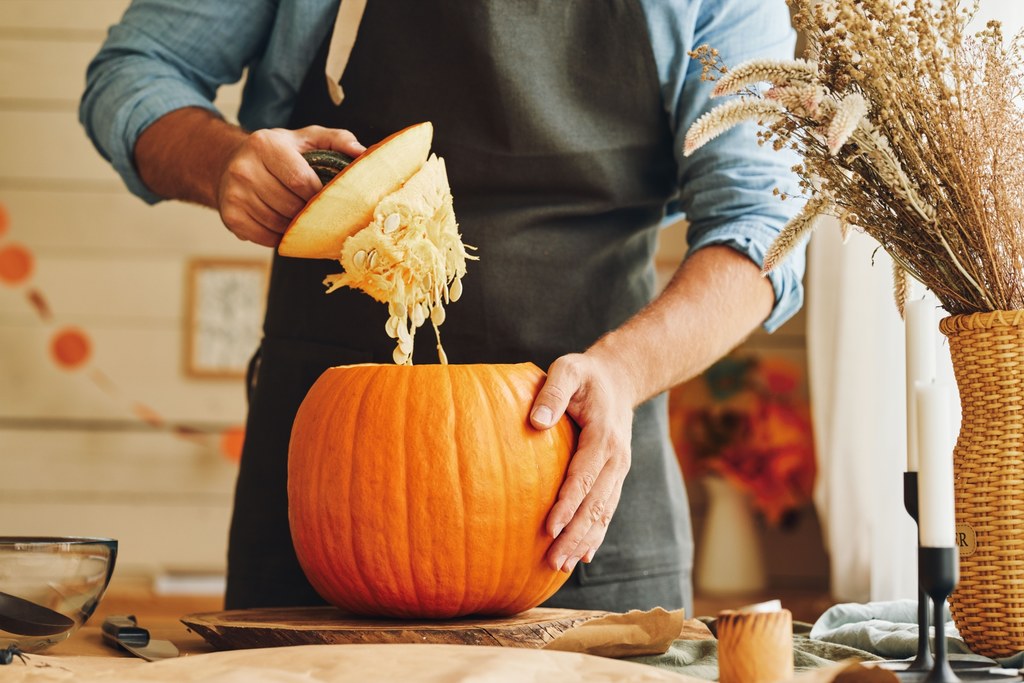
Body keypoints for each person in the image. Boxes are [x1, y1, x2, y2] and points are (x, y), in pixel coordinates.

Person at [80, 0, 805, 616]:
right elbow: (134, 71)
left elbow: (760, 231)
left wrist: (622, 370)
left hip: (584, 505)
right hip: (331, 504)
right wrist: (221, 161)